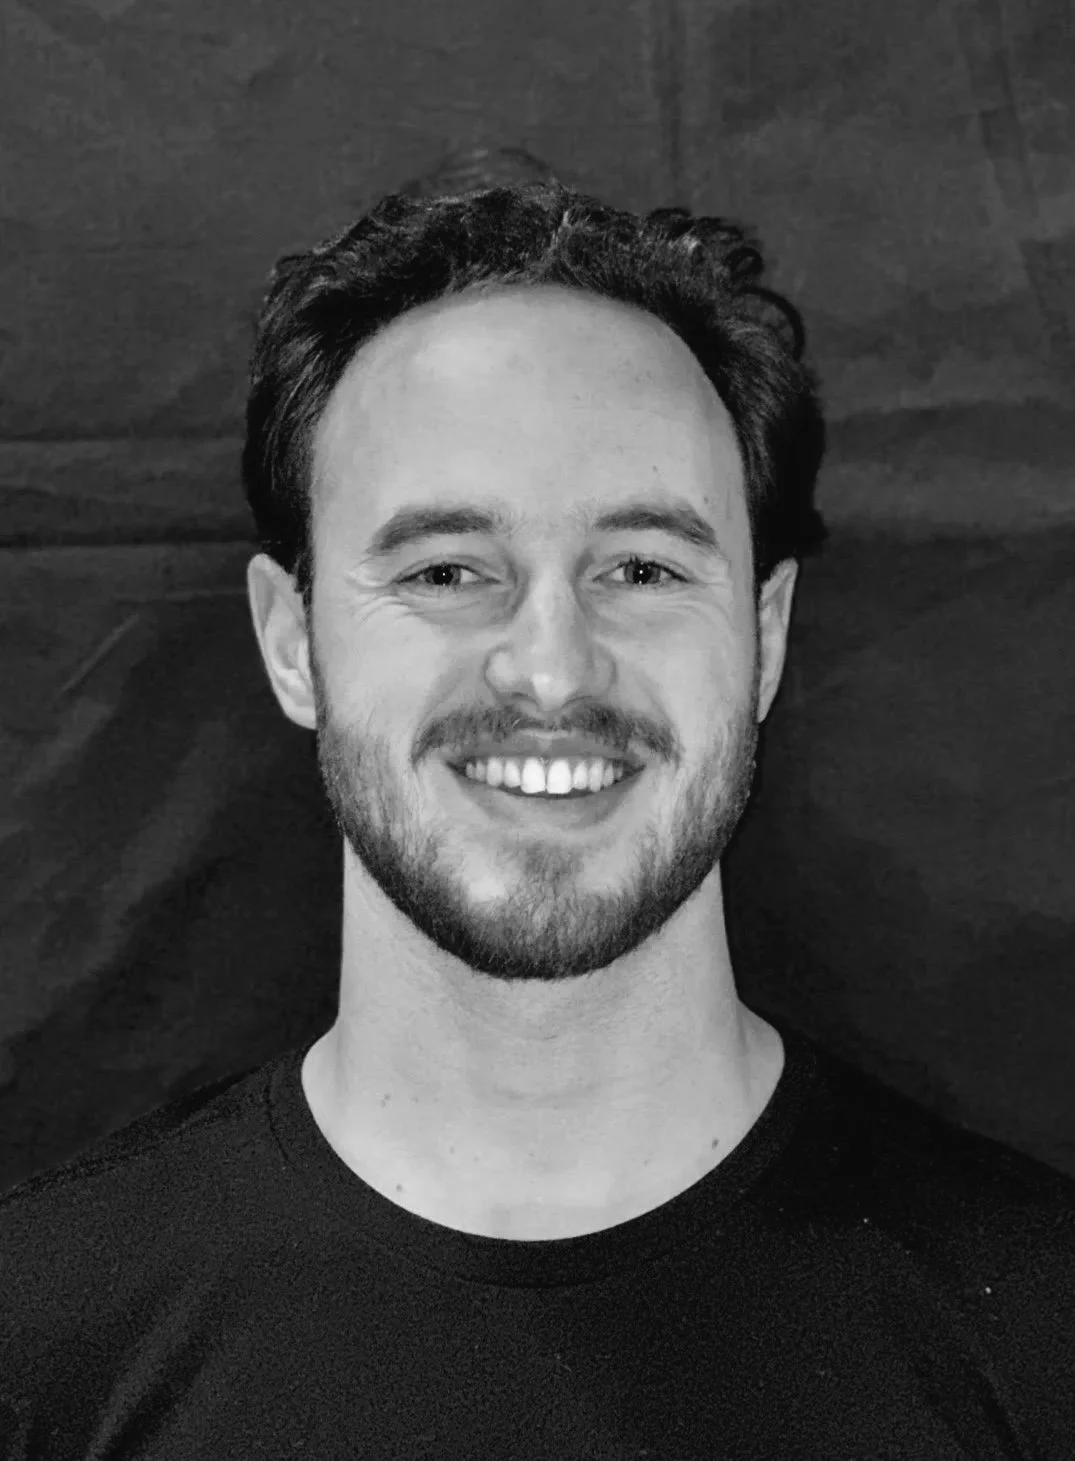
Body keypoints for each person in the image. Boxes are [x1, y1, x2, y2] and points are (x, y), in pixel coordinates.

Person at [2, 151, 1073, 1459]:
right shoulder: (42, 1347)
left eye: (638, 565)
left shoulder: (1041, 1341)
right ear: (292, 643)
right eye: (450, 569)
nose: (552, 668)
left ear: (766, 634)